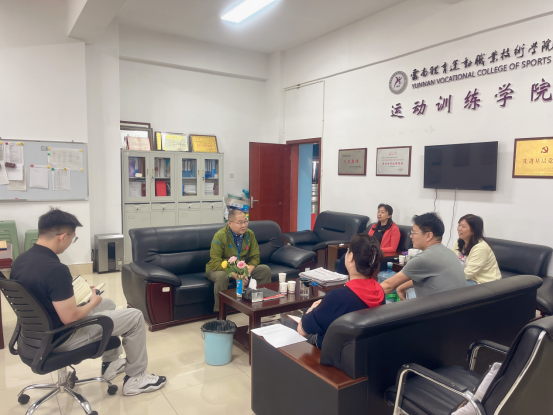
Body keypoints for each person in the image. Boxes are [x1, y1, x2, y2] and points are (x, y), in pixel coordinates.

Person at [10, 208, 166, 396]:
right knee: (135, 316)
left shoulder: (20, 261)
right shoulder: (55, 269)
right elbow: (70, 317)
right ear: (63, 237)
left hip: (34, 335)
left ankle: (111, 363)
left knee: (107, 304)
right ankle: (136, 378)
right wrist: (92, 301)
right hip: (61, 338)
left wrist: (74, 291)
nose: (70, 243)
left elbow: (41, 295)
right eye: (73, 238)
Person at [286, 233, 385, 349]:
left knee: (289, 323)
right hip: (361, 352)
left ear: (351, 257)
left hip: (328, 352)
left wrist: (312, 308)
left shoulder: (337, 297)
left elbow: (302, 330)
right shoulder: (380, 291)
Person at [380, 212, 466, 300]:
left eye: (414, 232)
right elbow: (429, 276)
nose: (411, 236)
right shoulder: (450, 253)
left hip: (438, 307)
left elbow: (388, 286)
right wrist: (401, 287)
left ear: (428, 235)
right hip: (457, 305)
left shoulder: (423, 259)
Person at [206, 209, 272, 312]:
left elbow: (255, 257)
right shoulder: (220, 235)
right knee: (221, 276)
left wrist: (246, 273)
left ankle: (261, 307)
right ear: (230, 223)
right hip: (219, 268)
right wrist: (236, 276)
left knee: (264, 269)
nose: (244, 225)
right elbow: (215, 262)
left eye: (245, 221)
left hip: (240, 268)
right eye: (240, 222)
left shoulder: (249, 234)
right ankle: (220, 312)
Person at [336, 203, 400, 274]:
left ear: (389, 215)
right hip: (369, 251)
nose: (379, 214)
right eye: (378, 211)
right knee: (345, 256)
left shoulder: (394, 229)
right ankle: (341, 278)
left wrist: (378, 250)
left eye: (382, 212)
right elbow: (367, 240)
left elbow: (393, 248)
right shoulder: (374, 226)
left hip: (378, 254)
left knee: (357, 259)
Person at [453, 214, 501, 286]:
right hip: (468, 278)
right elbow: (452, 261)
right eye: (459, 225)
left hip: (483, 282)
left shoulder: (480, 248)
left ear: (473, 231)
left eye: (463, 226)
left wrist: (449, 278)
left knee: (449, 285)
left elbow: (467, 274)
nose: (459, 228)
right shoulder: (458, 242)